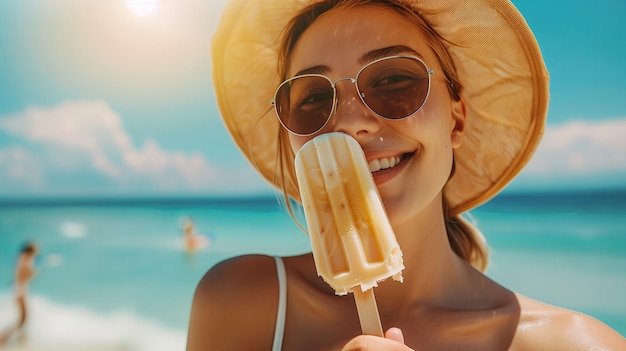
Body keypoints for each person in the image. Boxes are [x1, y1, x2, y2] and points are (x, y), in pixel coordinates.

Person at [187, 0, 626, 350]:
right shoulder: (240, 303)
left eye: (394, 80)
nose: (350, 123)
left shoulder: (575, 345)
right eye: (313, 98)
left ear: (456, 121)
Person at [0, 242, 38, 346]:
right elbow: (22, 275)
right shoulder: (25, 258)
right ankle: (4, 338)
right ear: (31, 250)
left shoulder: (22, 258)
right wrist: (32, 273)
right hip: (20, 291)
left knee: (23, 318)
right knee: (23, 319)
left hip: (19, 290)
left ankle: (20, 340)